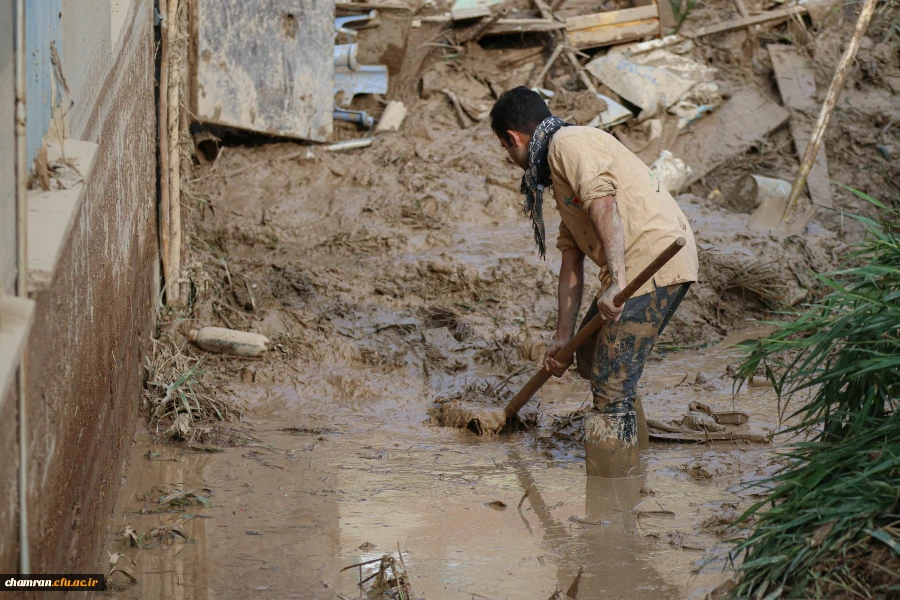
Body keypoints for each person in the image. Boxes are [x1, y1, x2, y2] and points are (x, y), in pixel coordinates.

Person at [490, 86, 699, 475]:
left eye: (505, 149)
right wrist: (562, 338)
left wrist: (617, 281)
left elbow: (604, 204)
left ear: (512, 138)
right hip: (631, 267)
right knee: (589, 357)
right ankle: (634, 457)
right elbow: (571, 259)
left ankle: (612, 494)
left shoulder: (568, 144)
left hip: (650, 264)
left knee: (610, 382)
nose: (509, 157)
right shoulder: (557, 168)